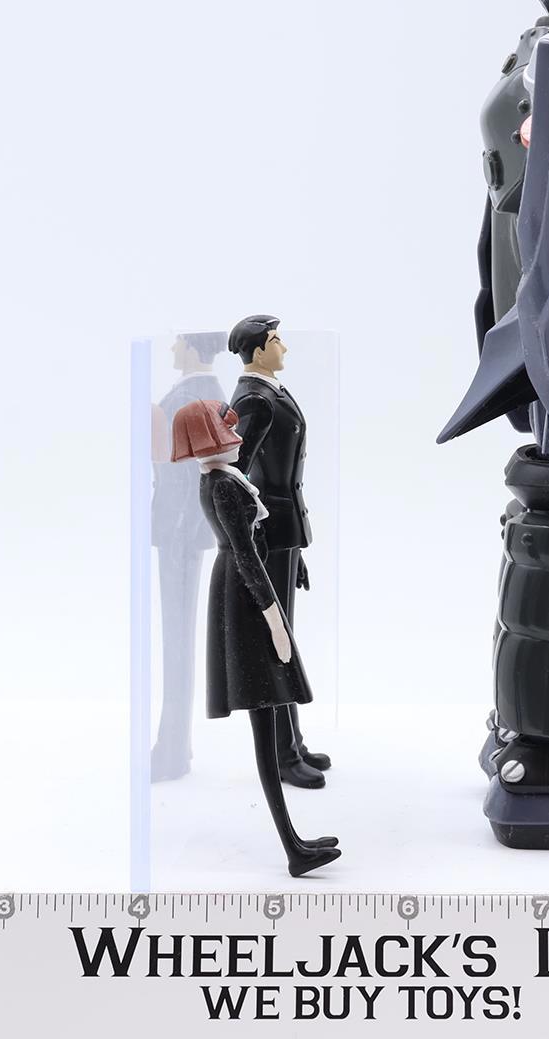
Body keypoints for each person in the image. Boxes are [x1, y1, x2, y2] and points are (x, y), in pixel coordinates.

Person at [170, 398, 340, 877]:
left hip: (244, 591)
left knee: (267, 719)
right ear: (210, 439)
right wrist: (273, 618)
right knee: (264, 722)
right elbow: (246, 555)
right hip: (246, 598)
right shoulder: (223, 484)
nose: (238, 434)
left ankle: (294, 844)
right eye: (226, 429)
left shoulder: (223, 478)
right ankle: (293, 848)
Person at [228, 314, 331, 789]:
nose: (283, 347)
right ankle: (282, 754)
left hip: (283, 532)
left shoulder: (270, 391)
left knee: (285, 638)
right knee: (276, 643)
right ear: (257, 350)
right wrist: (258, 537)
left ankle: (293, 742)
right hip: (268, 533)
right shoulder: (254, 398)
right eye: (275, 340)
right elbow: (239, 475)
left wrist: (295, 547)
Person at [150, 332, 227, 782]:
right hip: (183, 531)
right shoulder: (204, 391)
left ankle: (173, 749)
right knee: (177, 642)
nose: (172, 348)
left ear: (193, 348)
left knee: (176, 643)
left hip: (179, 534)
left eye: (178, 342)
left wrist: (180, 533)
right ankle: (175, 743)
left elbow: (186, 477)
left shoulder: (191, 395)